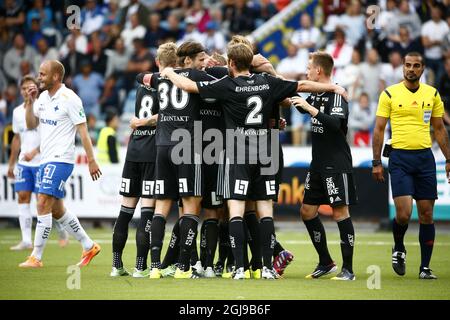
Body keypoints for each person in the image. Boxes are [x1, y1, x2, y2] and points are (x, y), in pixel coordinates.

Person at [161, 43, 346, 279]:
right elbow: (300, 85)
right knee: (265, 211)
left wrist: (167, 72)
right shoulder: (268, 82)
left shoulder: (227, 84)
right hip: (264, 153)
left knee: (236, 210)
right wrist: (332, 87)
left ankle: (240, 268)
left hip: (238, 153)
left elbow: (188, 85)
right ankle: (267, 268)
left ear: (231, 64)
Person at [372, 52, 450, 280]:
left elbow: (439, 129)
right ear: (403, 68)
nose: (411, 69)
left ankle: (425, 268)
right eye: (408, 65)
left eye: (416, 66)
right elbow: (378, 130)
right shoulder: (389, 93)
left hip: (425, 159)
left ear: (423, 69)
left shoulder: (432, 94)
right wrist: (377, 162)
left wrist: (448, 159)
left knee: (426, 214)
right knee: (404, 214)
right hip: (400, 159)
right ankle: (399, 248)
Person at [19, 60, 102, 268]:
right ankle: (88, 245)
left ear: (56, 77)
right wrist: (29, 102)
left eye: (43, 74)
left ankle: (36, 257)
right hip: (45, 159)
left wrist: (92, 160)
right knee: (56, 210)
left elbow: (83, 131)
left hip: (61, 159)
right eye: (39, 74)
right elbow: (31, 124)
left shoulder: (70, 98)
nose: (39, 78)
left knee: (42, 201)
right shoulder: (43, 99)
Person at [292, 52, 357, 281]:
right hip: (317, 164)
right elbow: (300, 101)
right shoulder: (317, 93)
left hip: (336, 164)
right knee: (307, 212)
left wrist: (311, 110)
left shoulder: (337, 95)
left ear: (318, 70)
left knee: (340, 213)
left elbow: (335, 125)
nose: (307, 71)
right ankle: (326, 261)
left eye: (309, 67)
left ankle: (348, 269)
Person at [8, 75, 68, 251]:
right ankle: (26, 240)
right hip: (24, 163)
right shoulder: (17, 111)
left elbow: (50, 135)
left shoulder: (43, 107)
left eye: (31, 87)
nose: (28, 90)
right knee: (22, 196)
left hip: (42, 160)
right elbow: (17, 139)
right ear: (21, 91)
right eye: (25, 88)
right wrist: (12, 164)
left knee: (44, 202)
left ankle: (61, 228)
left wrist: (35, 151)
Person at [110, 71, 159, 278]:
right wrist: (143, 122)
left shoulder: (141, 87)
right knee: (146, 212)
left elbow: (140, 76)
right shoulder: (166, 88)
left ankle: (116, 266)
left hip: (134, 150)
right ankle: (140, 267)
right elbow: (161, 117)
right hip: (151, 153)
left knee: (125, 211)